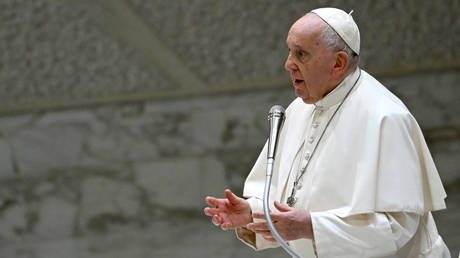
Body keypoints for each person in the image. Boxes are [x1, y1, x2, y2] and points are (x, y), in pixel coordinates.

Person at [204, 7, 450, 258]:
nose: (288, 64)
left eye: (301, 54)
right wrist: (252, 212)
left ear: (338, 63)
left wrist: (311, 227)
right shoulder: (299, 109)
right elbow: (292, 200)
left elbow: (396, 228)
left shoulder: (386, 118)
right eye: (289, 51)